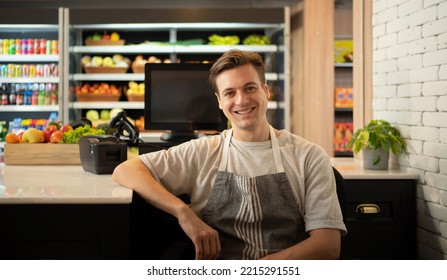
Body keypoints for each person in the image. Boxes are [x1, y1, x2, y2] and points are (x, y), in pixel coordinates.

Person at [112, 49, 347, 260]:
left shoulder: (309, 156)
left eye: (250, 88)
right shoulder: (202, 152)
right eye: (230, 93)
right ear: (219, 102)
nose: (241, 100)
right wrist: (183, 213)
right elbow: (126, 170)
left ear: (266, 91)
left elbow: (327, 246)